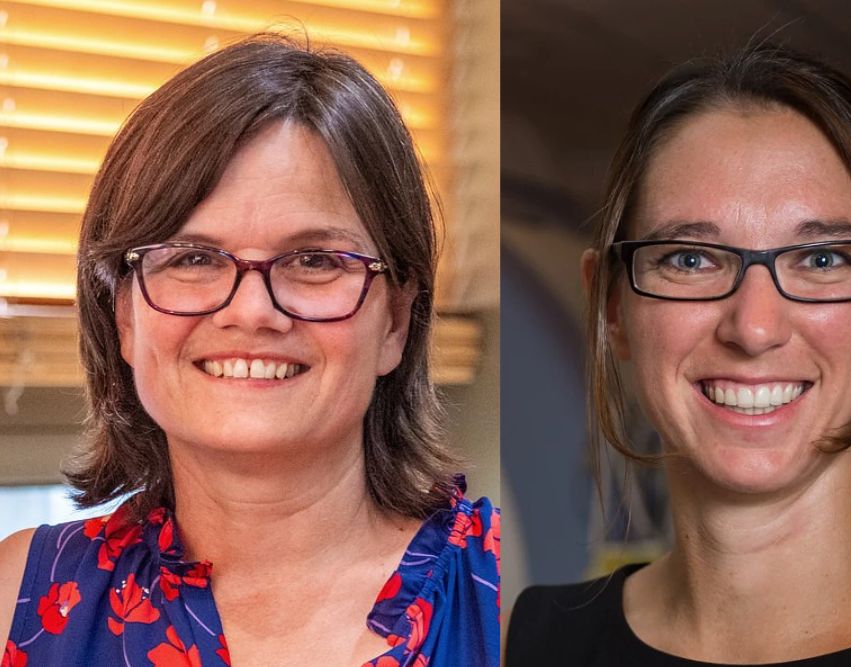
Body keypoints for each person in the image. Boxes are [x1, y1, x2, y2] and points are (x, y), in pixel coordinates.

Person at [0, 35, 499, 667]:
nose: (251, 311)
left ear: (396, 319)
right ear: (123, 315)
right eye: (193, 258)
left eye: (315, 260)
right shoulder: (18, 598)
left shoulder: (518, 600)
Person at [506, 43, 851, 665]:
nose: (755, 327)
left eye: (822, 259)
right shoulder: (531, 642)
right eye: (691, 259)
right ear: (611, 308)